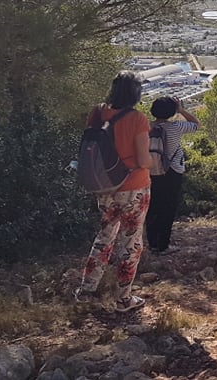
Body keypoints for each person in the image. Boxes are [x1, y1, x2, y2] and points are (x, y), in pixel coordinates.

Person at [75, 72, 151, 312]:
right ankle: (124, 298)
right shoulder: (137, 119)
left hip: (104, 184)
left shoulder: (97, 112)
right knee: (131, 242)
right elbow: (143, 159)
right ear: (135, 93)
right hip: (133, 186)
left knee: (105, 235)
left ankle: (86, 289)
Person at [145, 96, 199, 255]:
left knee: (152, 206)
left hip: (150, 171)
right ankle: (163, 245)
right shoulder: (176, 126)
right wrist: (181, 110)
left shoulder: (147, 126)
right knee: (167, 208)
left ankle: (152, 243)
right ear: (171, 111)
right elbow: (197, 124)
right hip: (172, 171)